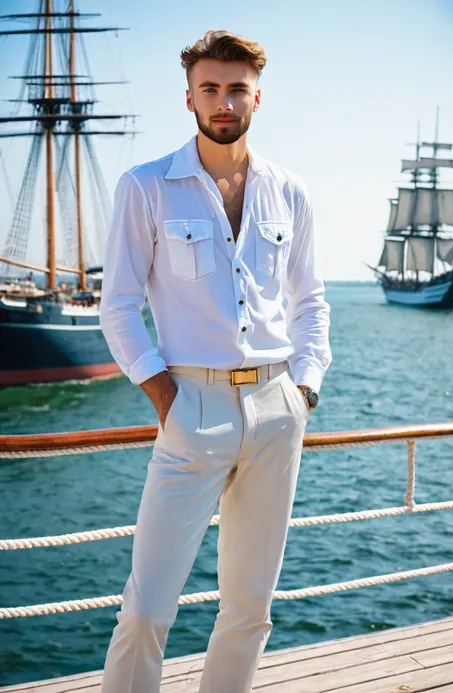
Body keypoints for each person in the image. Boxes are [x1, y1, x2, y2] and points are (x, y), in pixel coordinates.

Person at [99, 29, 331, 693]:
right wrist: (165, 397)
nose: (223, 100)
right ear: (190, 97)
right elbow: (116, 305)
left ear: (259, 95)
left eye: (236, 88)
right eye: (210, 88)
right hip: (189, 408)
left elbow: (310, 302)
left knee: (250, 607)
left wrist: (303, 391)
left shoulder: (291, 190)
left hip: (275, 408)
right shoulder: (145, 186)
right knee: (145, 608)